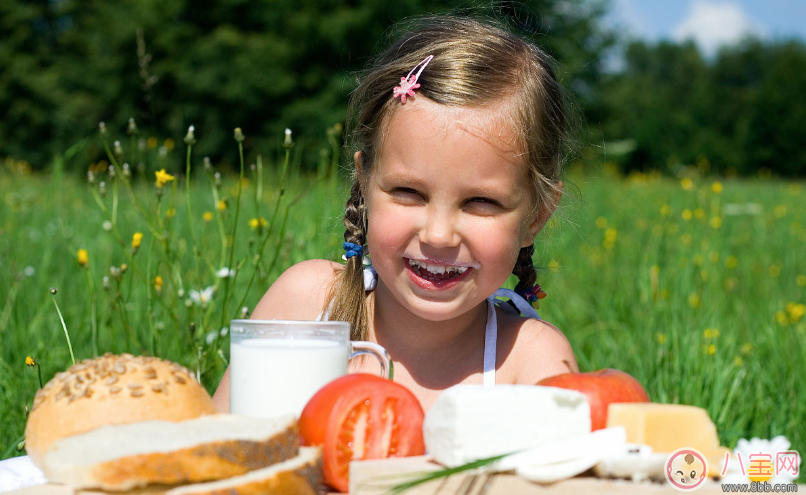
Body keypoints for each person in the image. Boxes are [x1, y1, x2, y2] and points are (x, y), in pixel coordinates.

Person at [213, 15, 577, 412]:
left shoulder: (531, 363)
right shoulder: (308, 309)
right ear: (365, 184)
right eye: (408, 192)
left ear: (537, 214)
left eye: (480, 202)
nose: (438, 235)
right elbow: (208, 455)